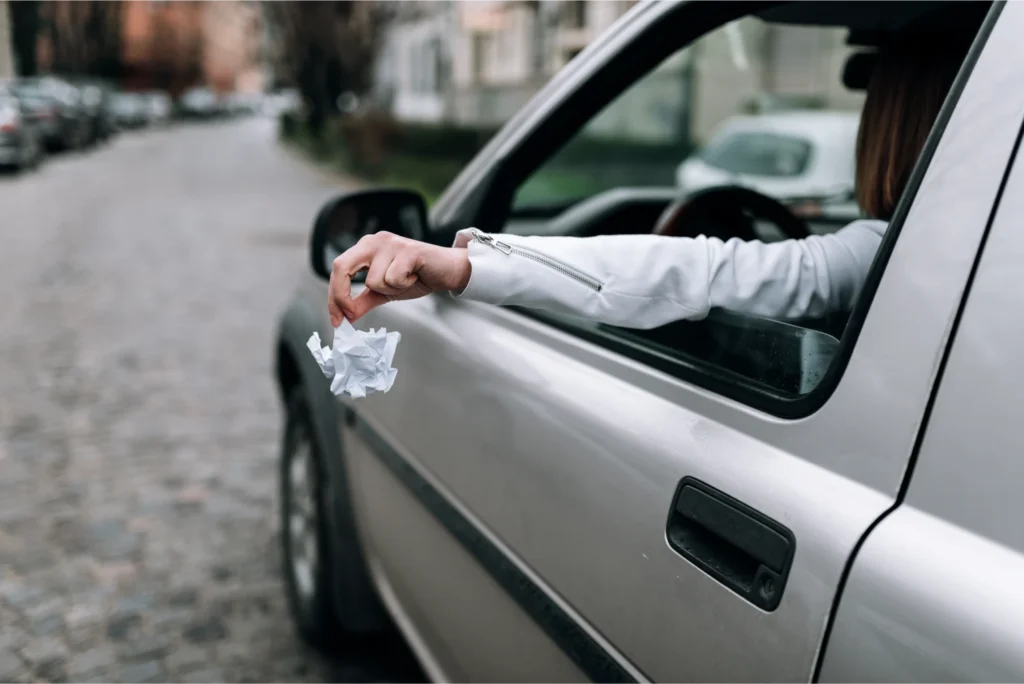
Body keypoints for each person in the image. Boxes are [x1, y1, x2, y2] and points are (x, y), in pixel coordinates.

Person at [327, 34, 969, 331]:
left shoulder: (879, 254)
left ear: (891, 129)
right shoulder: (961, 248)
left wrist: (464, 266)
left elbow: (694, 272)